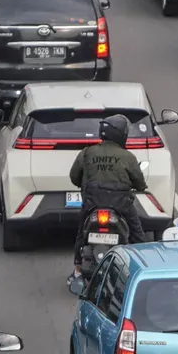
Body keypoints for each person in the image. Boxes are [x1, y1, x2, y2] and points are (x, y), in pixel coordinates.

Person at [67, 114, 148, 283]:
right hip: (121, 206)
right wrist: (140, 187)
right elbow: (139, 182)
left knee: (81, 233)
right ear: (121, 134)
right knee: (138, 234)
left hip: (92, 205)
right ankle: (143, 269)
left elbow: (74, 177)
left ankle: (76, 270)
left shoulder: (87, 152)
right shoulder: (127, 156)